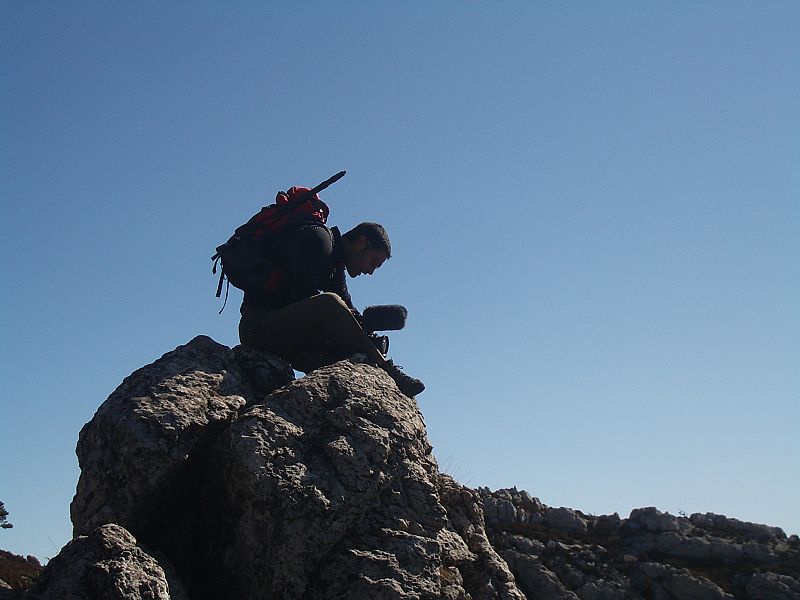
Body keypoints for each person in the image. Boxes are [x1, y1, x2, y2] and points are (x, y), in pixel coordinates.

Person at [238, 220, 425, 397]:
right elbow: (307, 300)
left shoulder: (335, 264)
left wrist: (366, 332)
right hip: (258, 327)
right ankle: (387, 368)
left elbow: (347, 307)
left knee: (347, 353)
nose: (370, 271)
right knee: (329, 302)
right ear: (361, 243)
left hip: (280, 332)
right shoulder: (318, 242)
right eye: (373, 261)